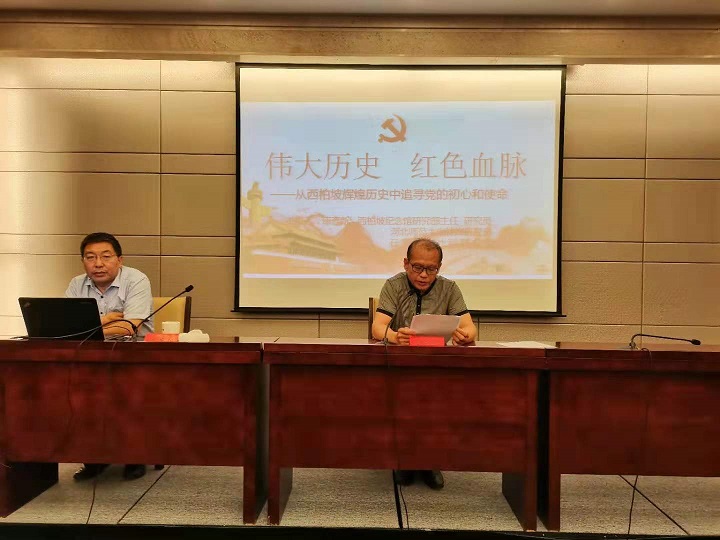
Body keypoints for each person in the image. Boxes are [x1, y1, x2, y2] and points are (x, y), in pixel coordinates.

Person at [371, 238, 477, 490]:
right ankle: (404, 460)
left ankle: (430, 461)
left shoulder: (449, 288)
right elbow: (378, 327)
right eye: (417, 267)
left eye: (431, 269)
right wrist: (395, 336)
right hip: (401, 364)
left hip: (436, 365)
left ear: (439, 267)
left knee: (438, 404)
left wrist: (466, 335)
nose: (423, 275)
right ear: (406, 264)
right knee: (405, 401)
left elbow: (469, 327)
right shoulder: (394, 285)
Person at [65, 232, 153, 481]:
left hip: (134, 356)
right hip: (88, 356)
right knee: (75, 395)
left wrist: (88, 326)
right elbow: (64, 325)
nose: (98, 264)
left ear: (119, 260)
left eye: (106, 256)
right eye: (90, 257)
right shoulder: (76, 284)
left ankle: (134, 456)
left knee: (127, 395)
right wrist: (106, 319)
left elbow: (129, 327)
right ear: (83, 261)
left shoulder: (136, 279)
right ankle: (94, 458)